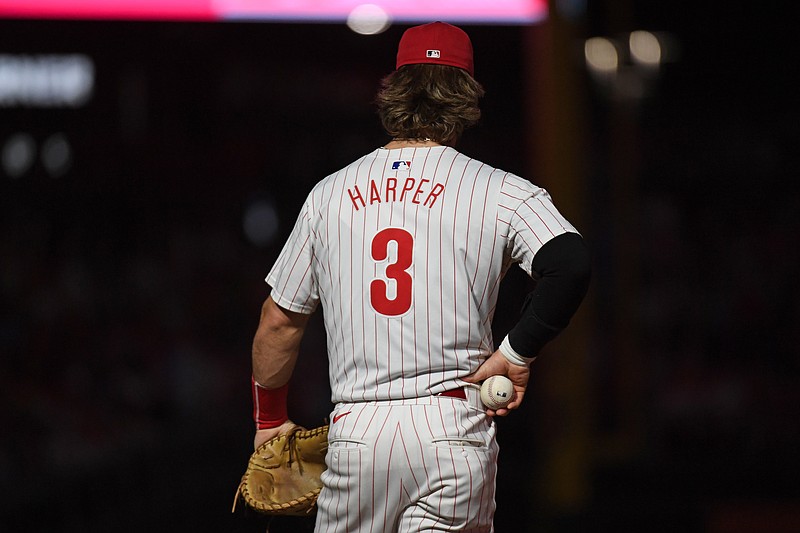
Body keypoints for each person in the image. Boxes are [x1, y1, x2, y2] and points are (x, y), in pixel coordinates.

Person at [249, 21, 591, 532]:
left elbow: (279, 321)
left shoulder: (329, 195)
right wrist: (516, 353)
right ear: (467, 96)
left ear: (394, 90)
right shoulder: (498, 190)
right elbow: (571, 263)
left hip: (359, 431)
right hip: (452, 427)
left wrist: (270, 420)